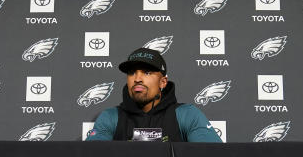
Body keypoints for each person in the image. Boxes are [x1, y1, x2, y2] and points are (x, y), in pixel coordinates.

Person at [85, 47, 222, 142]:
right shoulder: (110, 117)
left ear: (163, 82)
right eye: (132, 72)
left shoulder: (187, 114)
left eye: (147, 72)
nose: (137, 78)